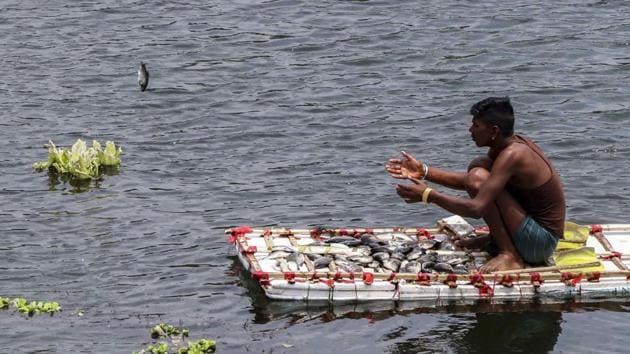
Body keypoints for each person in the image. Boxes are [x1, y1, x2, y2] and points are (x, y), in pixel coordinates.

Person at [385, 97, 565, 272]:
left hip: (539, 245)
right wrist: (424, 171)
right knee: (479, 167)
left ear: (494, 131)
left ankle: (509, 254)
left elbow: (476, 208)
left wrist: (428, 195)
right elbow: (474, 184)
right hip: (532, 234)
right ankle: (498, 241)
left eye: (476, 126)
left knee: (477, 175)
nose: (470, 130)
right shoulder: (509, 145)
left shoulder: (513, 155)